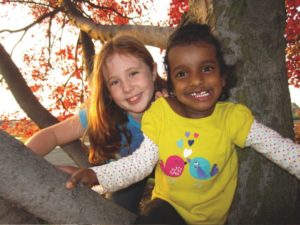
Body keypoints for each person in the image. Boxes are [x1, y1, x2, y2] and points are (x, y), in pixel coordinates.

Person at [63, 23, 300, 225]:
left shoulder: (233, 118)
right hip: (167, 208)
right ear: (171, 83)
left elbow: (281, 150)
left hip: (212, 219)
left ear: (223, 77)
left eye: (206, 69)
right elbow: (139, 164)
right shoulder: (161, 113)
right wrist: (96, 176)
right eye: (182, 74)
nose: (196, 81)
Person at [25, 34, 167, 214]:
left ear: (153, 71)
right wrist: (24, 161)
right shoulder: (103, 113)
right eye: (115, 82)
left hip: (166, 167)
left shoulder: (172, 103)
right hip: (123, 171)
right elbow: (52, 135)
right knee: (116, 212)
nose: (127, 87)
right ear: (107, 91)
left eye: (133, 73)